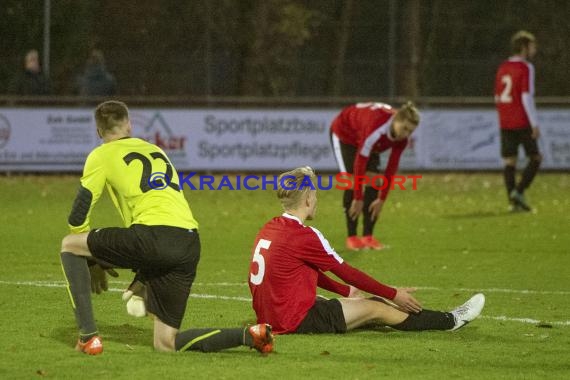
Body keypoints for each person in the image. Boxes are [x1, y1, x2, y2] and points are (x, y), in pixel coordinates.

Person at [60, 100, 273, 355]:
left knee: (69, 246)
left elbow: (78, 213)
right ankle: (250, 335)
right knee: (166, 343)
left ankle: (88, 338)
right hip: (188, 241)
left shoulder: (101, 154)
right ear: (129, 124)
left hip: (152, 237)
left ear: (98, 132)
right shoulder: (156, 150)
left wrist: (89, 256)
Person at [248, 166, 485, 335]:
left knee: (368, 302)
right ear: (308, 199)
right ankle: (451, 320)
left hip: (271, 316)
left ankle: (435, 317)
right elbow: (347, 271)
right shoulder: (305, 235)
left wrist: (345, 291)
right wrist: (393, 293)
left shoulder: (270, 227)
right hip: (293, 320)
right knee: (377, 306)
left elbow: (301, 271)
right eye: (315, 195)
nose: (317, 200)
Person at [330, 101, 420, 251]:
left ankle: (368, 237)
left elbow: (391, 168)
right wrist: (358, 198)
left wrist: (381, 199)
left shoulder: (401, 139)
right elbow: (360, 163)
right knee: (352, 183)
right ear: (396, 119)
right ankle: (352, 237)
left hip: (363, 135)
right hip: (345, 134)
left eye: (410, 131)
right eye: (404, 128)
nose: (406, 134)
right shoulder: (376, 127)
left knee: (375, 182)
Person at [494, 30, 541, 212]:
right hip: (522, 120)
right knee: (536, 158)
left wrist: (503, 116)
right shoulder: (526, 67)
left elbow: (497, 97)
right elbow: (526, 96)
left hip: (505, 121)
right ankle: (519, 192)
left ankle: (514, 203)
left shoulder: (502, 67)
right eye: (532, 46)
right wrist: (534, 123)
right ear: (523, 48)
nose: (534, 49)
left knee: (509, 162)